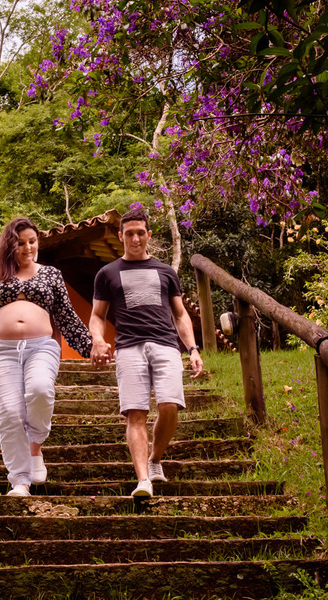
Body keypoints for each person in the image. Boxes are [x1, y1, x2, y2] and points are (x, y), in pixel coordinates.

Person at [0, 216, 93, 496]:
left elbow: (66, 317)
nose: (28, 247)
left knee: (40, 390)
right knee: (9, 413)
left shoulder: (51, 274)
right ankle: (20, 480)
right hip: (0, 352)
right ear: (9, 245)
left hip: (41, 346)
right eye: (21, 243)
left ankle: (35, 446)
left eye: (33, 241)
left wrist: (91, 346)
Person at [88, 206, 203, 498]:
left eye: (141, 233)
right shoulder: (107, 273)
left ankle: (154, 460)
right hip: (128, 347)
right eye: (129, 234)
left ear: (149, 235)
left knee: (169, 405)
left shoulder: (166, 272)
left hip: (165, 344)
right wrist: (98, 340)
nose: (135, 239)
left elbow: (180, 315)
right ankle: (143, 480)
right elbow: (97, 315)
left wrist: (192, 349)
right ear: (120, 236)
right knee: (135, 413)